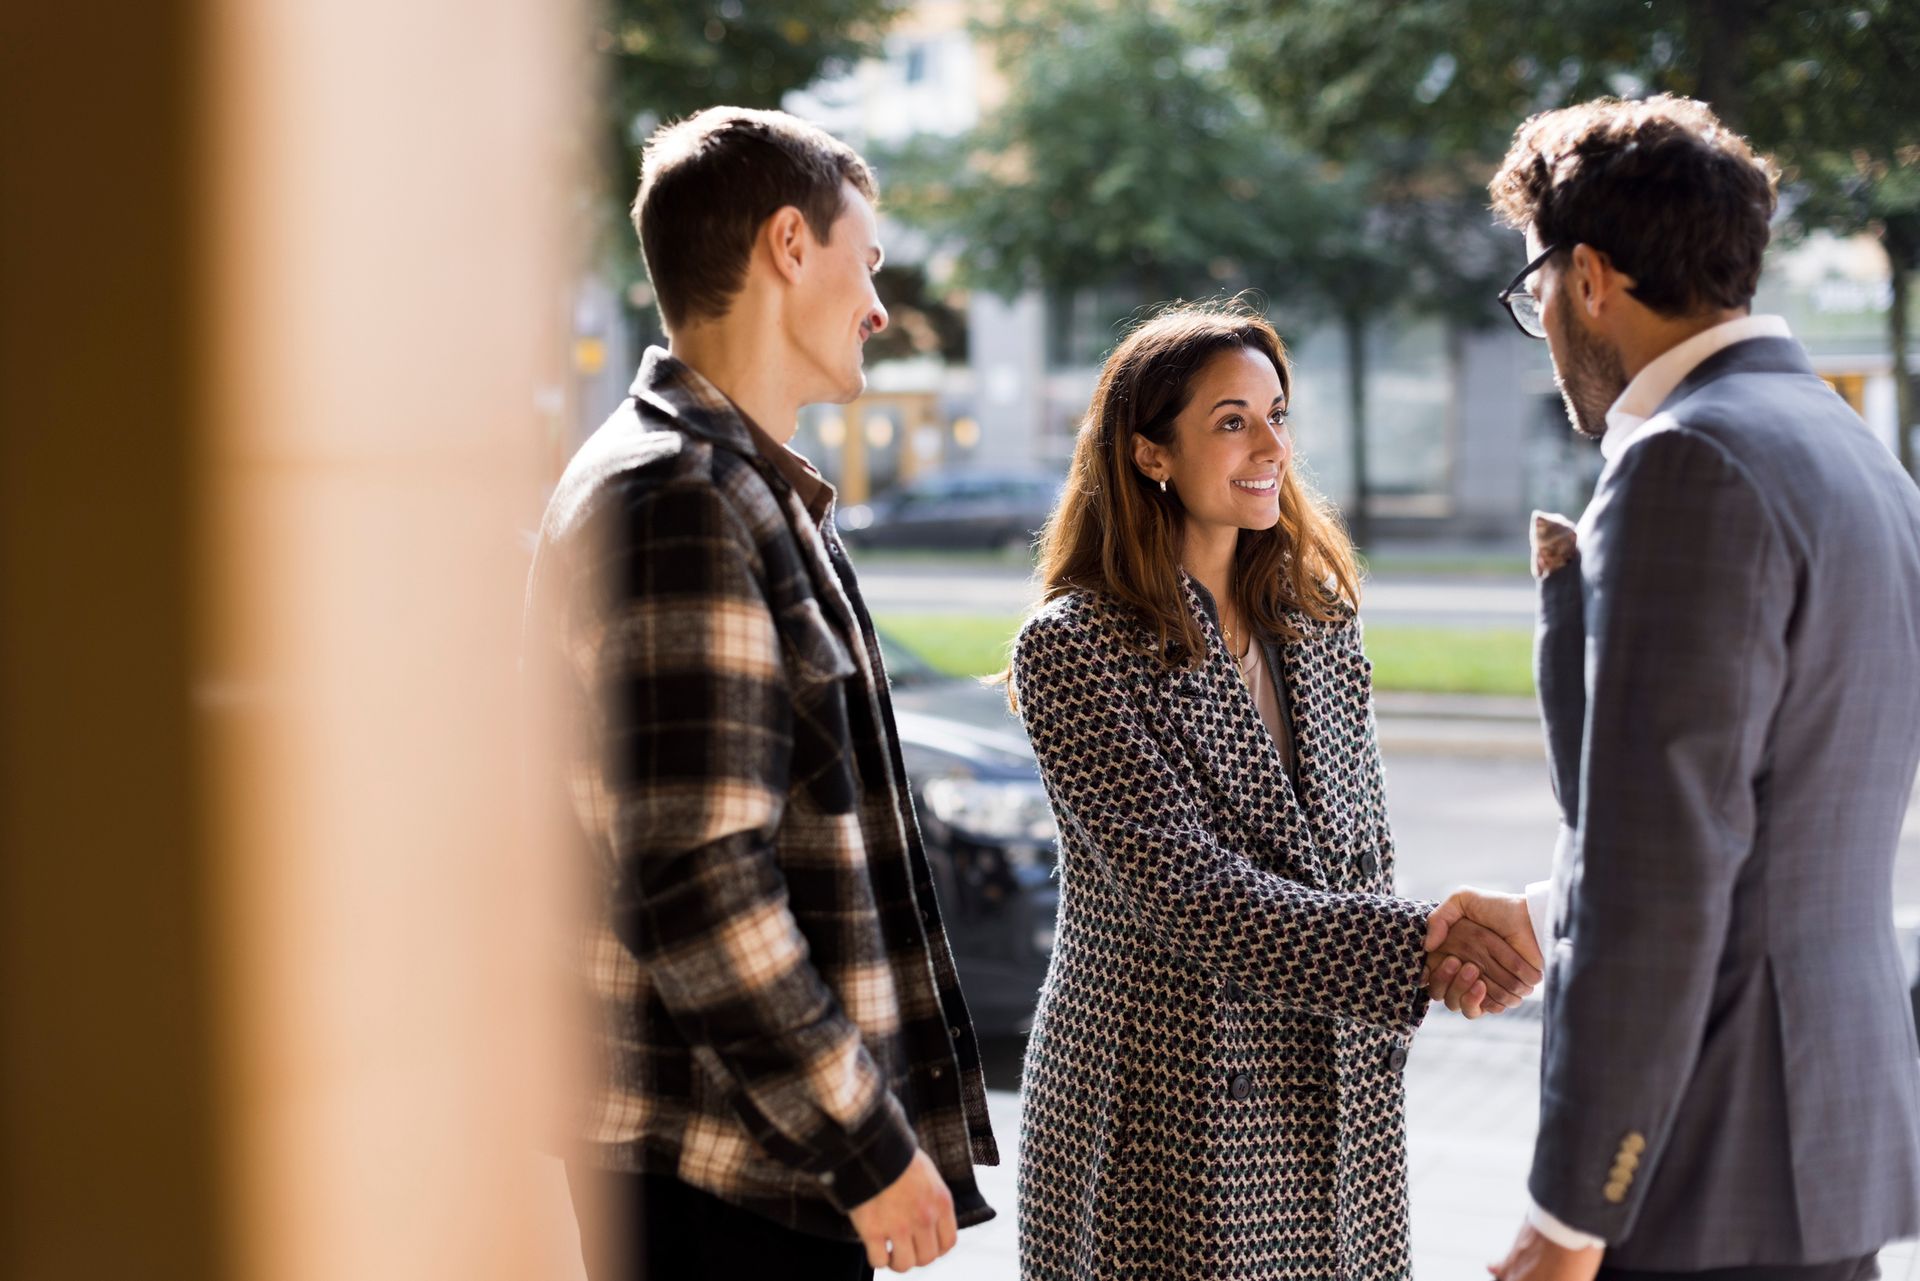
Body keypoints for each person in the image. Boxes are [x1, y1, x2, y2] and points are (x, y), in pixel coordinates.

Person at [523, 106, 998, 1281]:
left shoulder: (744, 487)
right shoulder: (677, 496)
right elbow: (699, 878)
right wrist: (866, 1143)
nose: (881, 308)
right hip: (720, 1179)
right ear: (792, 245)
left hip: (753, 1166)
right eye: (867, 261)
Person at [1466, 94, 1920, 1281]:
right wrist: (1547, 907)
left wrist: (1568, 1216)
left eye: (1535, 294)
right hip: (1816, 1154)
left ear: (1591, 279)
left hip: (1700, 1164)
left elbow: (1663, 874)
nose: (1546, 327)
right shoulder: (1853, 451)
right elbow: (1778, 817)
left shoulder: (1689, 463)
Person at [1008, 300, 1546, 1280]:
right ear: (1149, 453)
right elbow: (1186, 892)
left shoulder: (1317, 620)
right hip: (1164, 1107)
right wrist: (1423, 950)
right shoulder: (1073, 648)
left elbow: (1366, 861)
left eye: (1278, 413)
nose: (1271, 444)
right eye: (1231, 420)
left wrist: (1449, 959)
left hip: (1333, 1087)